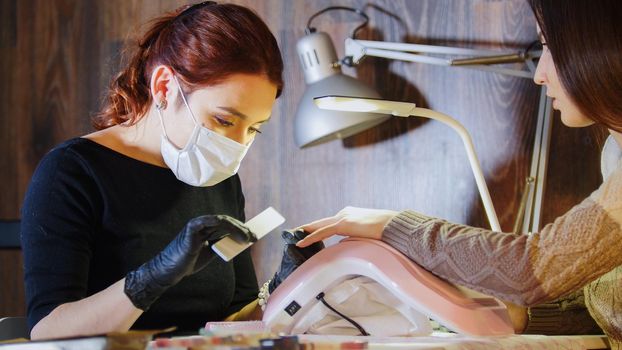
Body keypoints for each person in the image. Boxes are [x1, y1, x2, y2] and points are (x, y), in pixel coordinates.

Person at [296, 0, 622, 347]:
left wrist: (394, 226)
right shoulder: (613, 154)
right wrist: (526, 314)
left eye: (549, 47)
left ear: (597, 44)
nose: (539, 73)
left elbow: (530, 268)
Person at [20, 1, 303, 340]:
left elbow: (233, 320)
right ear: (164, 87)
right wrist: (148, 281)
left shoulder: (220, 179)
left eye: (254, 129)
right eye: (224, 120)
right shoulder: (73, 172)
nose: (237, 145)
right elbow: (47, 331)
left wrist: (286, 288)